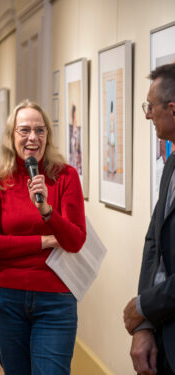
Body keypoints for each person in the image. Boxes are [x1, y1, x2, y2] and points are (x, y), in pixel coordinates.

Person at [0, 99, 86, 375]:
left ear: (48, 136)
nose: (32, 138)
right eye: (24, 130)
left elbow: (75, 241)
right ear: (11, 136)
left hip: (56, 300)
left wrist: (47, 211)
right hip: (5, 298)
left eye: (40, 130)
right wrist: (45, 241)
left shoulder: (66, 177)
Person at [123, 62, 175, 375]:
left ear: (172, 108)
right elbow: (154, 244)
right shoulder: (170, 165)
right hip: (163, 336)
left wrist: (144, 307)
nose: (146, 115)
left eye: (150, 106)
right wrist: (143, 324)